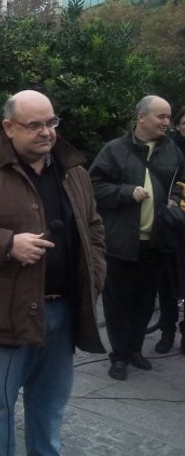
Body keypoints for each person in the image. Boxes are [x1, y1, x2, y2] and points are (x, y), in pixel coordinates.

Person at [0, 90, 106, 456]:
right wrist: (7, 244)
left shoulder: (72, 171)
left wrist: (95, 275)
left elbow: (94, 228)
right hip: (4, 313)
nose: (46, 132)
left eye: (51, 123)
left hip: (62, 311)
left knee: (50, 405)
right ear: (9, 128)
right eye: (35, 125)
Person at [89, 95, 185, 380]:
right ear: (141, 117)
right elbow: (93, 187)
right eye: (161, 117)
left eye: (168, 117)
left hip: (156, 243)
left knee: (144, 302)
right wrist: (124, 192)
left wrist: (174, 200)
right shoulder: (114, 150)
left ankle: (134, 350)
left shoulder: (173, 152)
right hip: (120, 243)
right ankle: (118, 356)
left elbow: (182, 184)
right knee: (118, 304)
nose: (166, 122)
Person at [153, 106, 185, 354]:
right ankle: (167, 330)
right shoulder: (169, 150)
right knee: (166, 281)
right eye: (184, 123)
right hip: (171, 224)